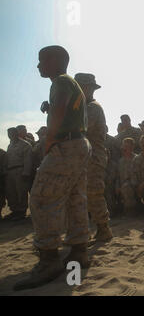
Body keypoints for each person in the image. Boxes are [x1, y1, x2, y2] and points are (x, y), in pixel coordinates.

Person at [14, 45, 91, 291]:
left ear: (56, 60)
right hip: (79, 143)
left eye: (41, 61)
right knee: (74, 198)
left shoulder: (59, 81)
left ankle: (48, 260)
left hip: (66, 144)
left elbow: (59, 106)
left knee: (42, 198)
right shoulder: (71, 82)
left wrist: (49, 139)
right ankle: (79, 252)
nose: (38, 66)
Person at [75, 73, 112, 242]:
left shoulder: (92, 107)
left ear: (88, 88)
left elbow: (80, 129)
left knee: (94, 193)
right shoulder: (81, 106)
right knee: (82, 195)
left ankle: (103, 229)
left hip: (93, 158)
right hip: (83, 157)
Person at [4, 127, 32, 221]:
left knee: (21, 192)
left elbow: (28, 160)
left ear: (16, 133)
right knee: (11, 192)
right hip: (10, 171)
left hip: (20, 170)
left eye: (12, 133)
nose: (10, 136)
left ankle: (21, 212)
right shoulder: (10, 145)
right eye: (9, 134)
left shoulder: (25, 145)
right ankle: (14, 211)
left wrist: (26, 173)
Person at [116, 138, 138, 217]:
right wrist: (117, 186)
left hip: (135, 184)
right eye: (124, 146)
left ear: (132, 147)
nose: (124, 148)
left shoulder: (137, 159)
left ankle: (131, 210)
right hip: (123, 184)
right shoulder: (120, 161)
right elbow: (118, 176)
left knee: (126, 187)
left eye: (127, 146)